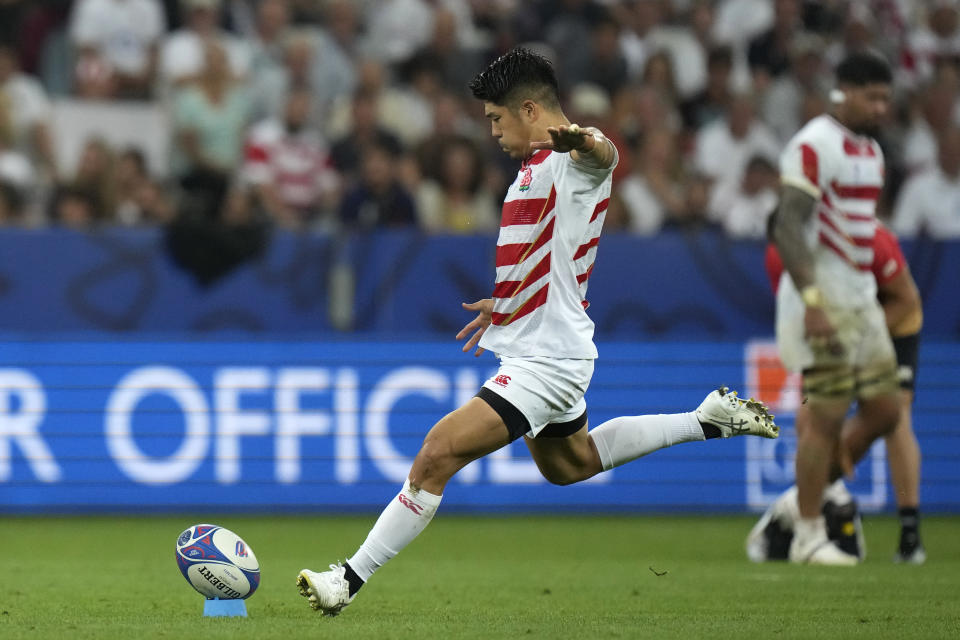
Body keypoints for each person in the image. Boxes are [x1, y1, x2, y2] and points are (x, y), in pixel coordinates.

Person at [295, 46, 779, 617]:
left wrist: (581, 140)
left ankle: (347, 580)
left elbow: (604, 154)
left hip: (546, 361)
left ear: (529, 110)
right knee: (570, 465)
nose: (493, 132)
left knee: (435, 454)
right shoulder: (529, 171)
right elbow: (548, 255)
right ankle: (705, 420)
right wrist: (506, 302)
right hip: (544, 345)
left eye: (497, 119)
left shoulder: (570, 160)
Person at [768, 51, 901, 565]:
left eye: (887, 97)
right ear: (843, 92)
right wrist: (814, 302)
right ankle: (806, 534)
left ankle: (797, 500)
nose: (882, 107)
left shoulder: (870, 150)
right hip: (822, 301)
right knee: (822, 420)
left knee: (887, 410)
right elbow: (787, 225)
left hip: (862, 301)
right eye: (873, 96)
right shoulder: (813, 145)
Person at [747, 221, 926, 564]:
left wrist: (859, 343)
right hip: (835, 332)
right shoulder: (778, 256)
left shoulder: (870, 239)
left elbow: (906, 300)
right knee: (811, 415)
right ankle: (812, 506)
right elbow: (798, 316)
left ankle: (910, 533)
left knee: (897, 415)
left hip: (893, 320)